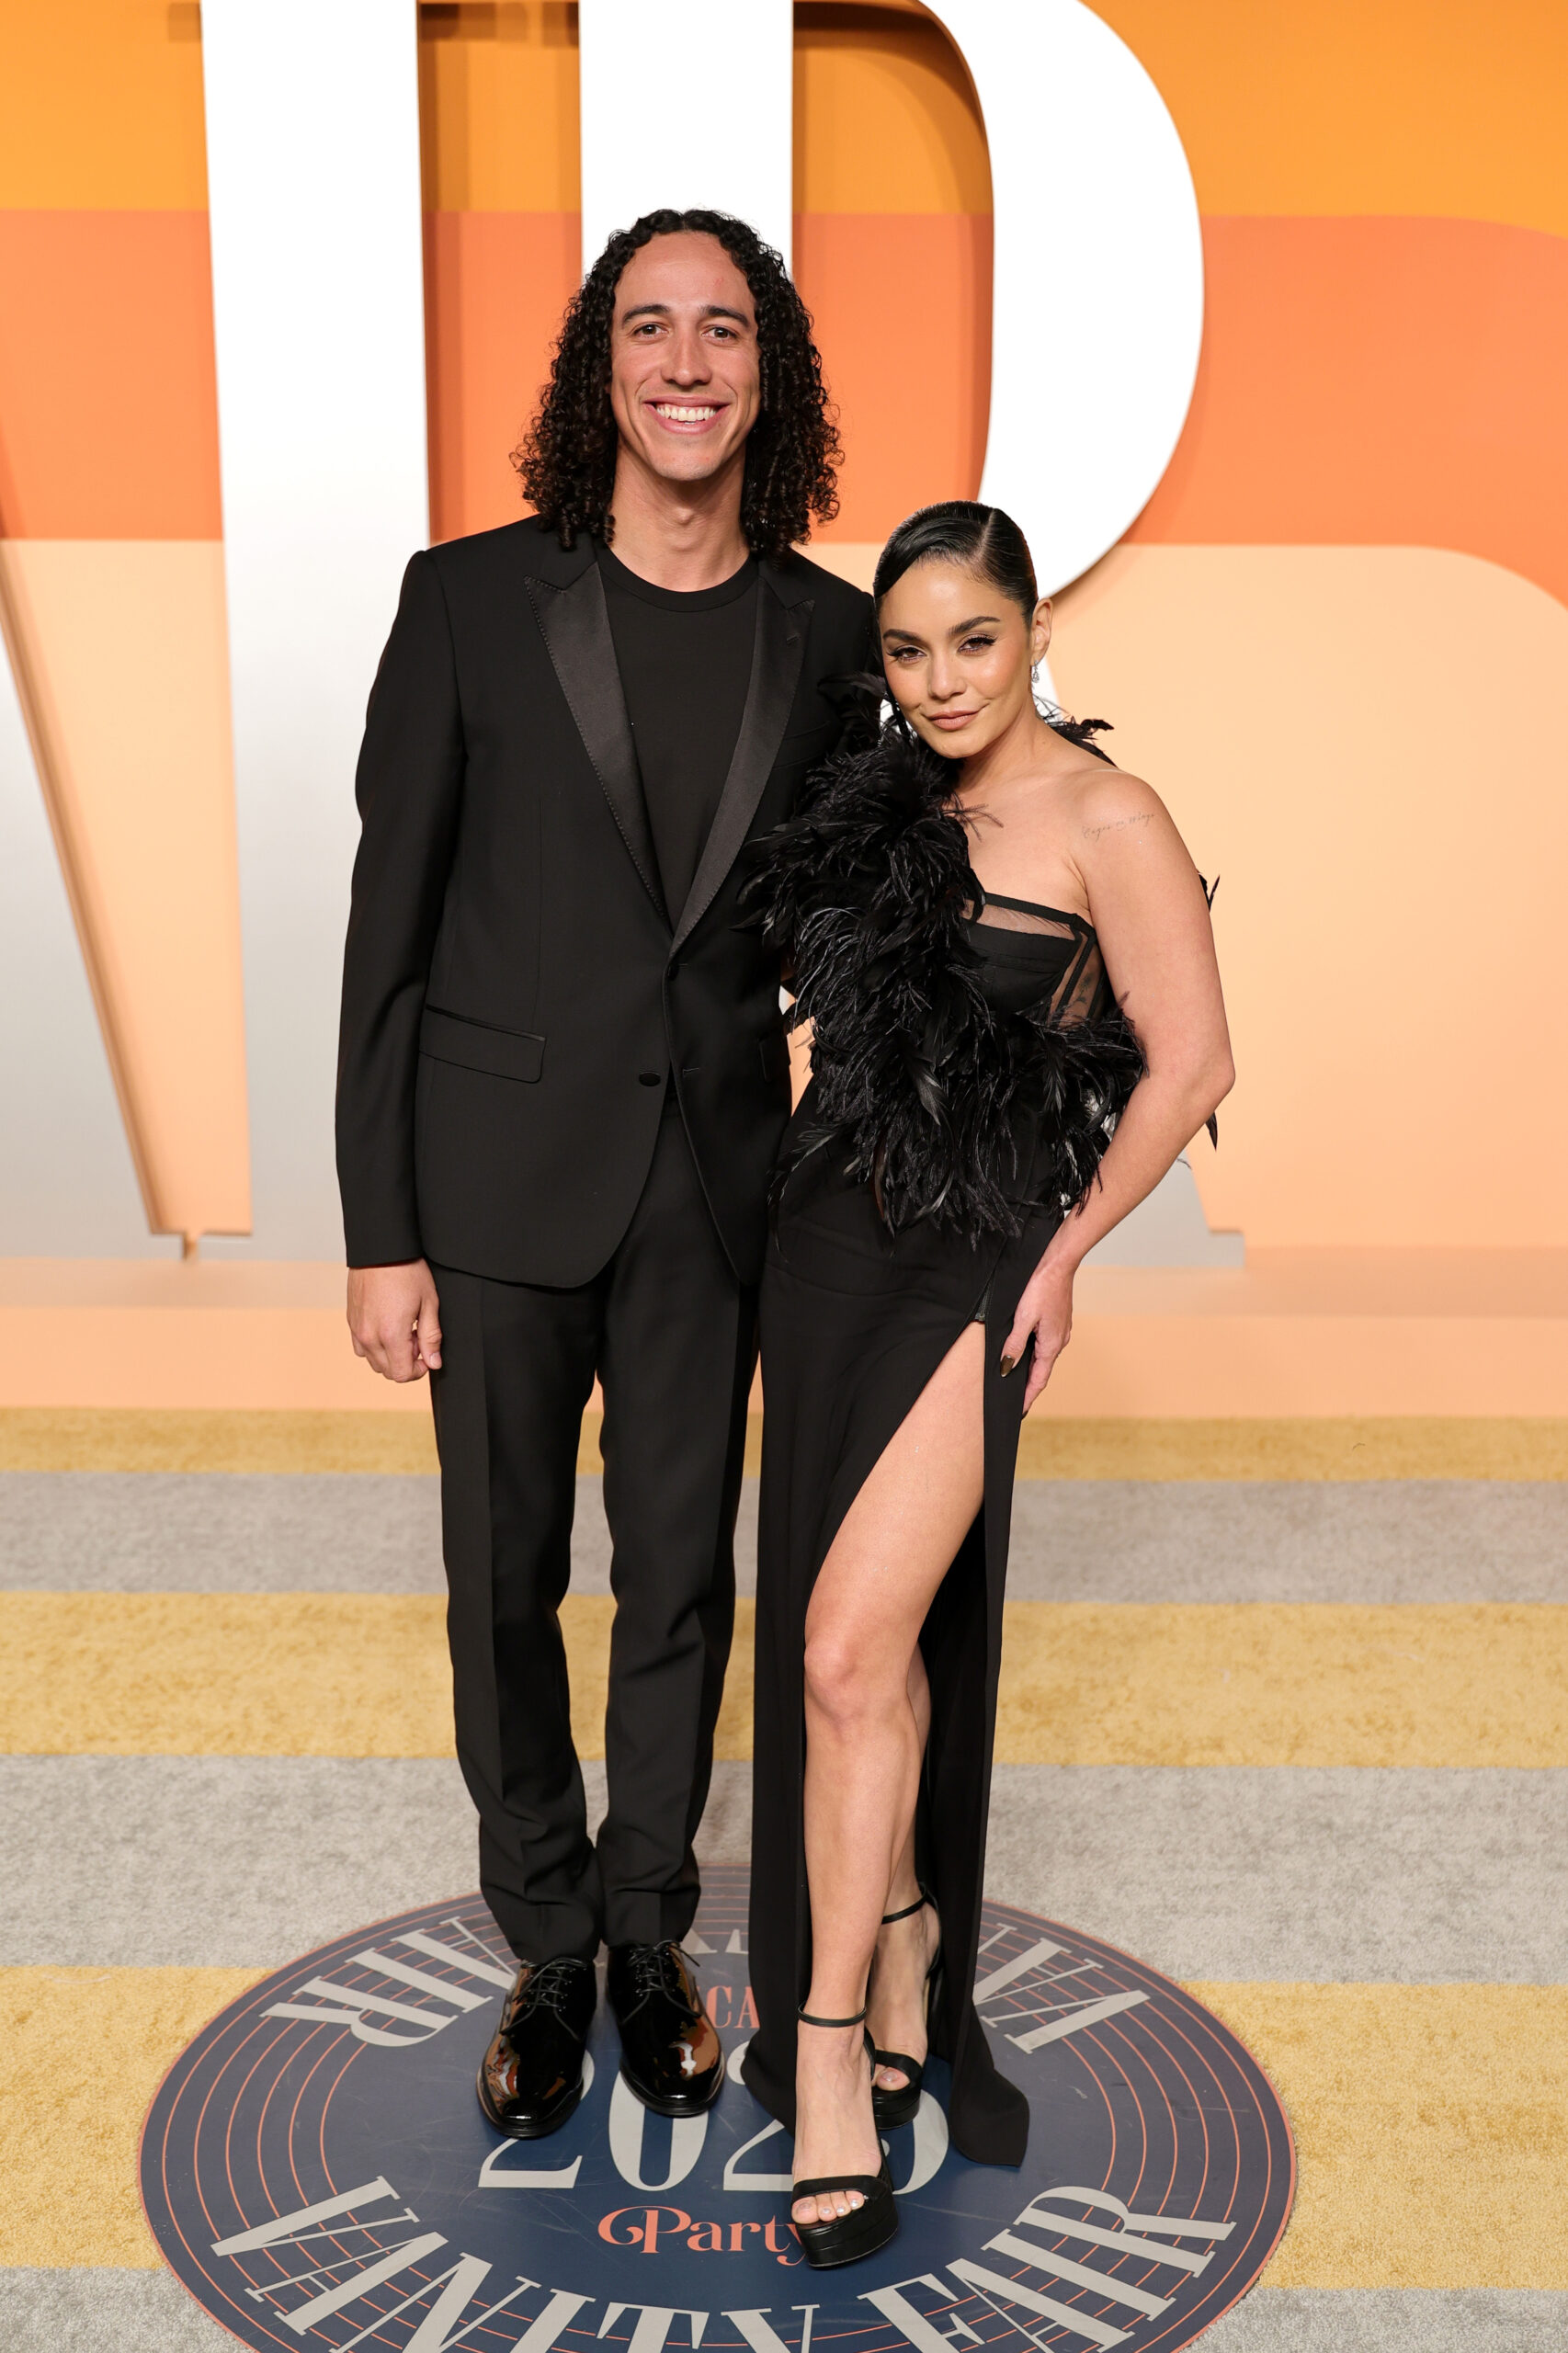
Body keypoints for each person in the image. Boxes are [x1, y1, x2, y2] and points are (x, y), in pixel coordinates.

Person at [335, 210, 873, 2140]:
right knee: (505, 1574)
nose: (685, 361)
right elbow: (383, 924)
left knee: (679, 1581)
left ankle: (648, 1925)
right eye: (647, 326)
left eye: (722, 329)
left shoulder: (823, 633)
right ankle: (544, 1938)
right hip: (487, 1182)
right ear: (600, 366)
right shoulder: (470, 599)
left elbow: (849, 921)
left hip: (712, 1187)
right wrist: (375, 1226)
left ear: (767, 372)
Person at [739, 500, 1235, 2265]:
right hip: (819, 1256)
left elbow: (1192, 1063)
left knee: (845, 1647)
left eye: (975, 639)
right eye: (906, 649)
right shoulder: (883, 809)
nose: (942, 680)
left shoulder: (1110, 817)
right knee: (849, 1648)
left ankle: (820, 2052)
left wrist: (1065, 1248)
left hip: (973, 1271)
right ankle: (901, 1946)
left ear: (1034, 635)